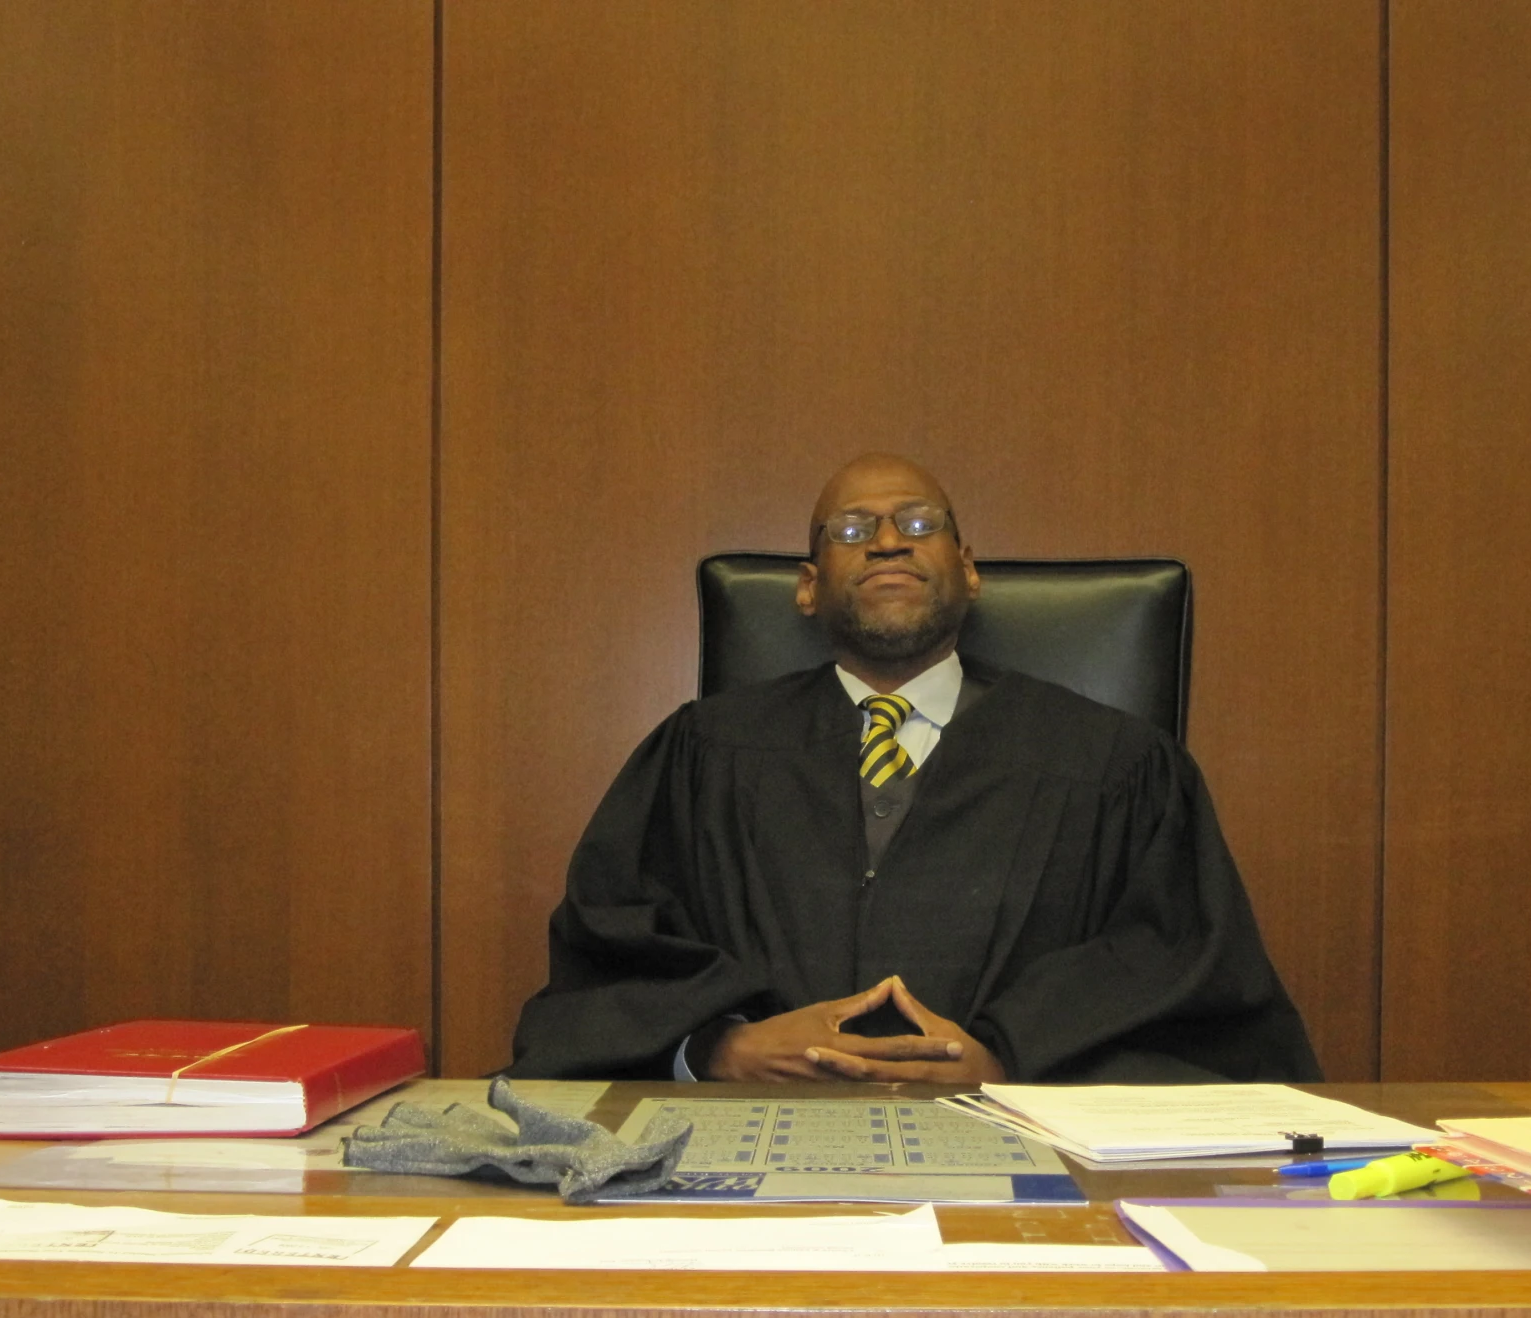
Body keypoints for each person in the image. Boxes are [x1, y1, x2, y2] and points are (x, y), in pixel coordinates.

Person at [510, 454, 1320, 1085]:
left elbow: (1186, 973)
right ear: (805, 586)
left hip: (1023, 1160)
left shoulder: (1117, 765)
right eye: (852, 530)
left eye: (919, 522)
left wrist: (1009, 1058)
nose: (889, 540)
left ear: (969, 569)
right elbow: (609, 952)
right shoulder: (700, 754)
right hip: (747, 1152)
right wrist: (720, 1048)